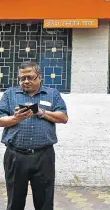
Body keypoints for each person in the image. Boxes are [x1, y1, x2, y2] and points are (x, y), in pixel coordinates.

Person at [0, 61, 68, 210]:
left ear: (40, 77)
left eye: (30, 77)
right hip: (15, 155)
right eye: (22, 78)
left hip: (43, 156)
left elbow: (63, 117)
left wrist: (41, 112)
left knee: (44, 201)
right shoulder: (10, 94)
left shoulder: (52, 94)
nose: (26, 81)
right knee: (15, 201)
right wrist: (15, 118)